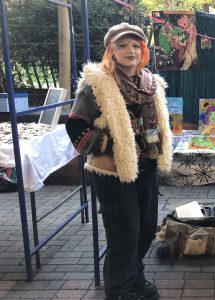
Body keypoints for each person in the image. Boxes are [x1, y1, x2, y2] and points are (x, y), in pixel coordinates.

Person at [65, 23, 173, 300]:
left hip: (147, 168)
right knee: (123, 234)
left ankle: (135, 281)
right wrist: (111, 143)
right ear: (111, 51)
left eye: (136, 45)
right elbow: (75, 127)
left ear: (143, 50)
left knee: (146, 229)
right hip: (113, 172)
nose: (131, 50)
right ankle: (119, 291)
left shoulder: (151, 83)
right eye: (123, 45)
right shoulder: (96, 84)